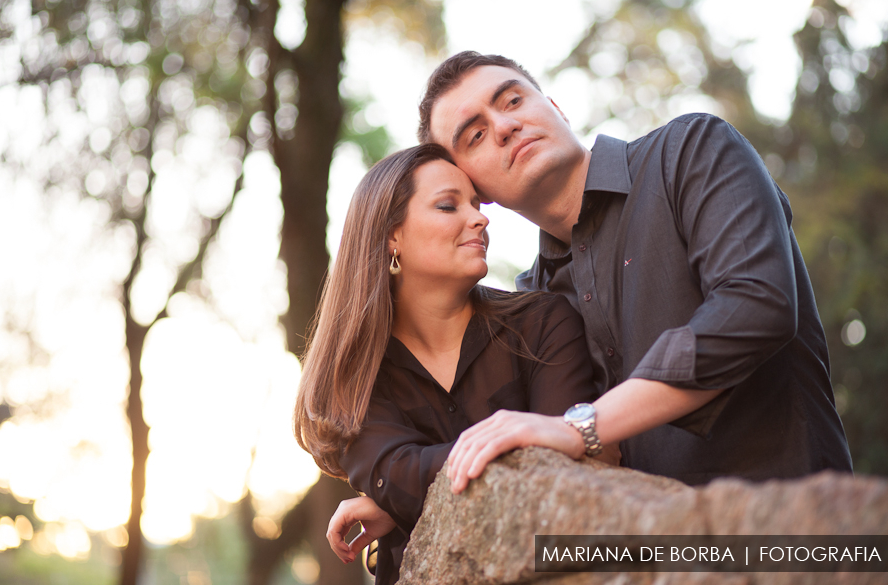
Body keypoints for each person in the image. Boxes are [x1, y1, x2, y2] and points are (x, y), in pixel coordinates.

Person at [326, 51, 853, 562]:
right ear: (475, 186)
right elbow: (526, 453)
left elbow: (756, 306)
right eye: (476, 134)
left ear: (555, 107)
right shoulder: (533, 309)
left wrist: (581, 425)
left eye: (512, 101)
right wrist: (405, 500)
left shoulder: (691, 150)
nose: (505, 126)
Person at [294, 144, 613, 585]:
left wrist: (404, 496)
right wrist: (398, 489)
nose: (481, 218)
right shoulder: (354, 374)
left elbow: (558, 461)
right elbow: (395, 474)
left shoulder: (544, 323)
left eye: (477, 204)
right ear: (391, 236)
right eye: (449, 205)